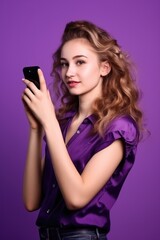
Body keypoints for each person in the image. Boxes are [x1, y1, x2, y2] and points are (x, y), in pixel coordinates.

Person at [22, 20, 143, 240]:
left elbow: (76, 198)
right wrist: (36, 129)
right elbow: (31, 201)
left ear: (104, 67)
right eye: (64, 64)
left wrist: (49, 121)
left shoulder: (118, 128)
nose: (69, 72)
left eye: (80, 62)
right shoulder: (64, 123)